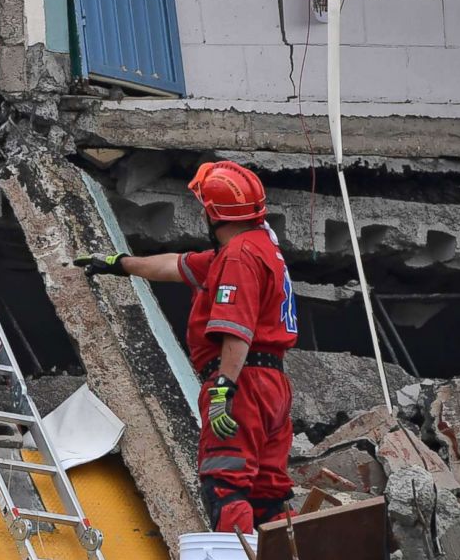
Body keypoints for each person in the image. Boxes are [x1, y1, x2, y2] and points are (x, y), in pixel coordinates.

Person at [75, 161, 298, 534]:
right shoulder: (258, 250)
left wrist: (224, 387)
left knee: (226, 483)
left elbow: (237, 329)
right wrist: (120, 264)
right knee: (266, 494)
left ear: (213, 212)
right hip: (272, 386)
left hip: (242, 383)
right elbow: (175, 266)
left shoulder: (239, 256)